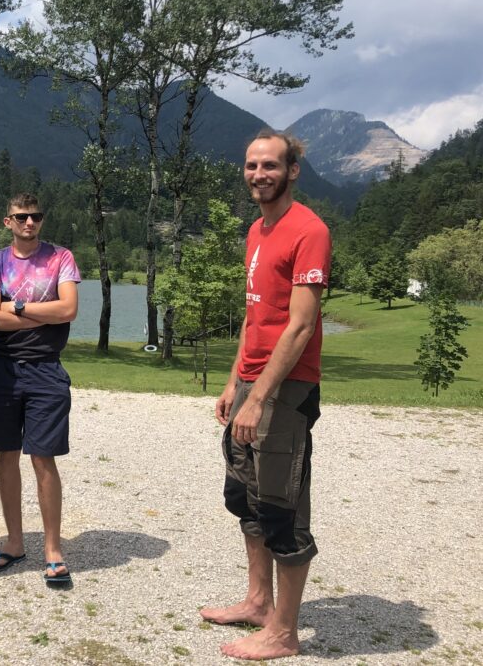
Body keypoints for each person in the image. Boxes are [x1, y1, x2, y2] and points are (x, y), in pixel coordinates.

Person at [200, 129, 330, 661]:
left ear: (292, 170)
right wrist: (236, 381)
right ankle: (259, 601)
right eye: (252, 165)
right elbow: (256, 315)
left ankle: (283, 633)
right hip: (253, 381)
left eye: (270, 165)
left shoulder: (309, 230)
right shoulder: (257, 229)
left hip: (286, 388)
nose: (259, 174)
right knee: (246, 497)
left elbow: (300, 327)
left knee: (281, 505)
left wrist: (259, 398)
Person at [0, 193, 79, 586]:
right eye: (21, 217)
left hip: (46, 370)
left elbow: (68, 310)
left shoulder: (61, 258)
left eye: (35, 217)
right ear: (8, 221)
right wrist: (44, 313)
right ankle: (15, 540)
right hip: (3, 369)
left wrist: (17, 308)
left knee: (43, 458)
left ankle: (53, 549)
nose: (29, 223)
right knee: (6, 455)